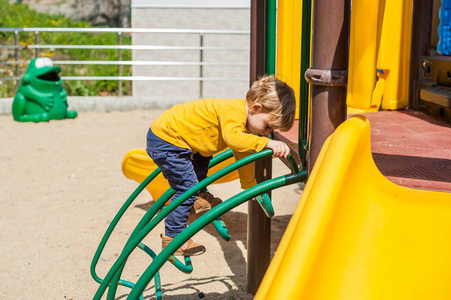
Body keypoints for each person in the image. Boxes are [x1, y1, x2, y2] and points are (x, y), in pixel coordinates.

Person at [146, 75, 296, 256]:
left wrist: (250, 184)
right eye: (267, 126)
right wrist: (266, 144)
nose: (267, 133)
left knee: (202, 164)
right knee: (187, 189)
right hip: (168, 140)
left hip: (190, 145)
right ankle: (173, 238)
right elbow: (234, 139)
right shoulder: (234, 111)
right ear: (256, 108)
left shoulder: (245, 122)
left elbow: (243, 151)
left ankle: (199, 198)